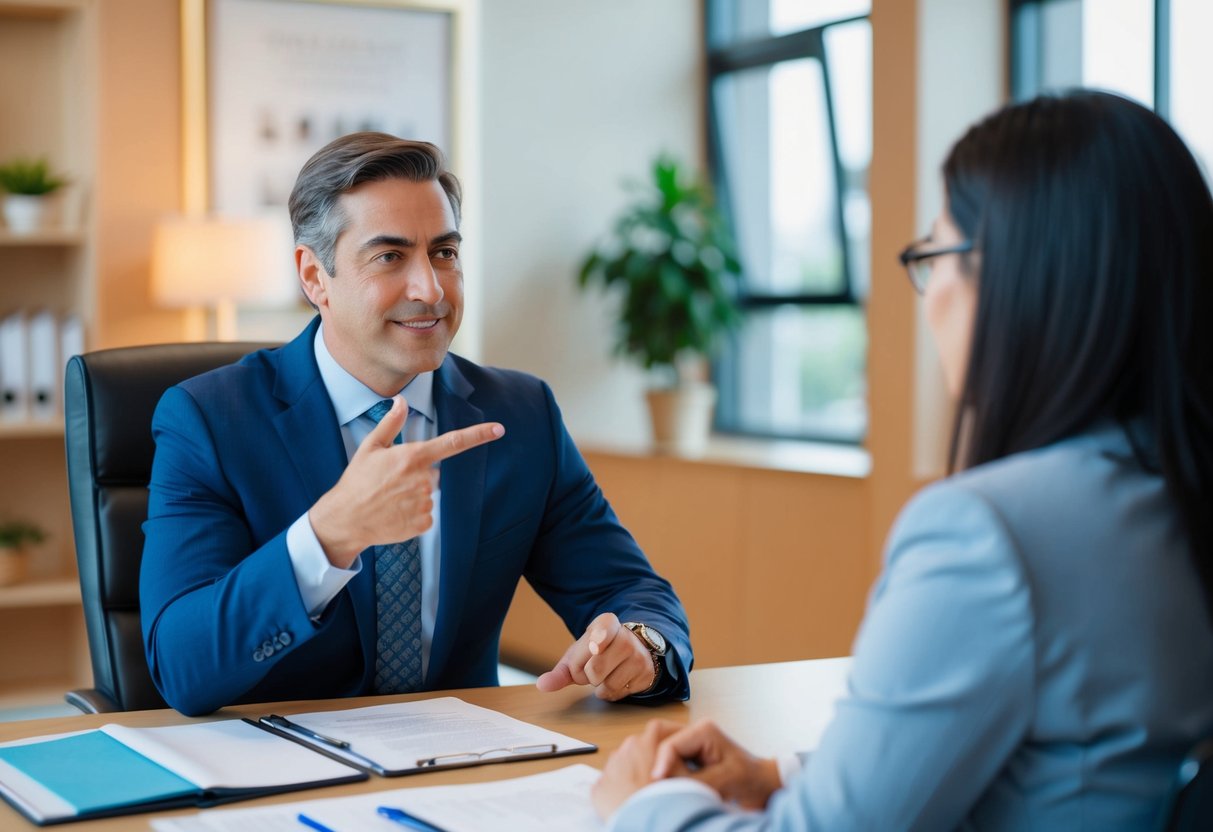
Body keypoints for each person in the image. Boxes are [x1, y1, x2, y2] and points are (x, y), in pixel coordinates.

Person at [593, 90, 1213, 829]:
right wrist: (778, 772)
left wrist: (645, 804)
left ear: (1018, 274)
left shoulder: (988, 533)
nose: (926, 297)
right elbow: (1056, 750)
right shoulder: (1171, 491)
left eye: (933, 254)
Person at [140, 134, 692, 716]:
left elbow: (631, 591)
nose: (430, 289)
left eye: (445, 254)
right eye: (390, 257)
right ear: (314, 277)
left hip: (461, 770)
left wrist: (642, 647)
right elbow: (181, 666)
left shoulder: (521, 414)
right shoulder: (209, 420)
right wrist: (328, 535)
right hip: (280, 771)